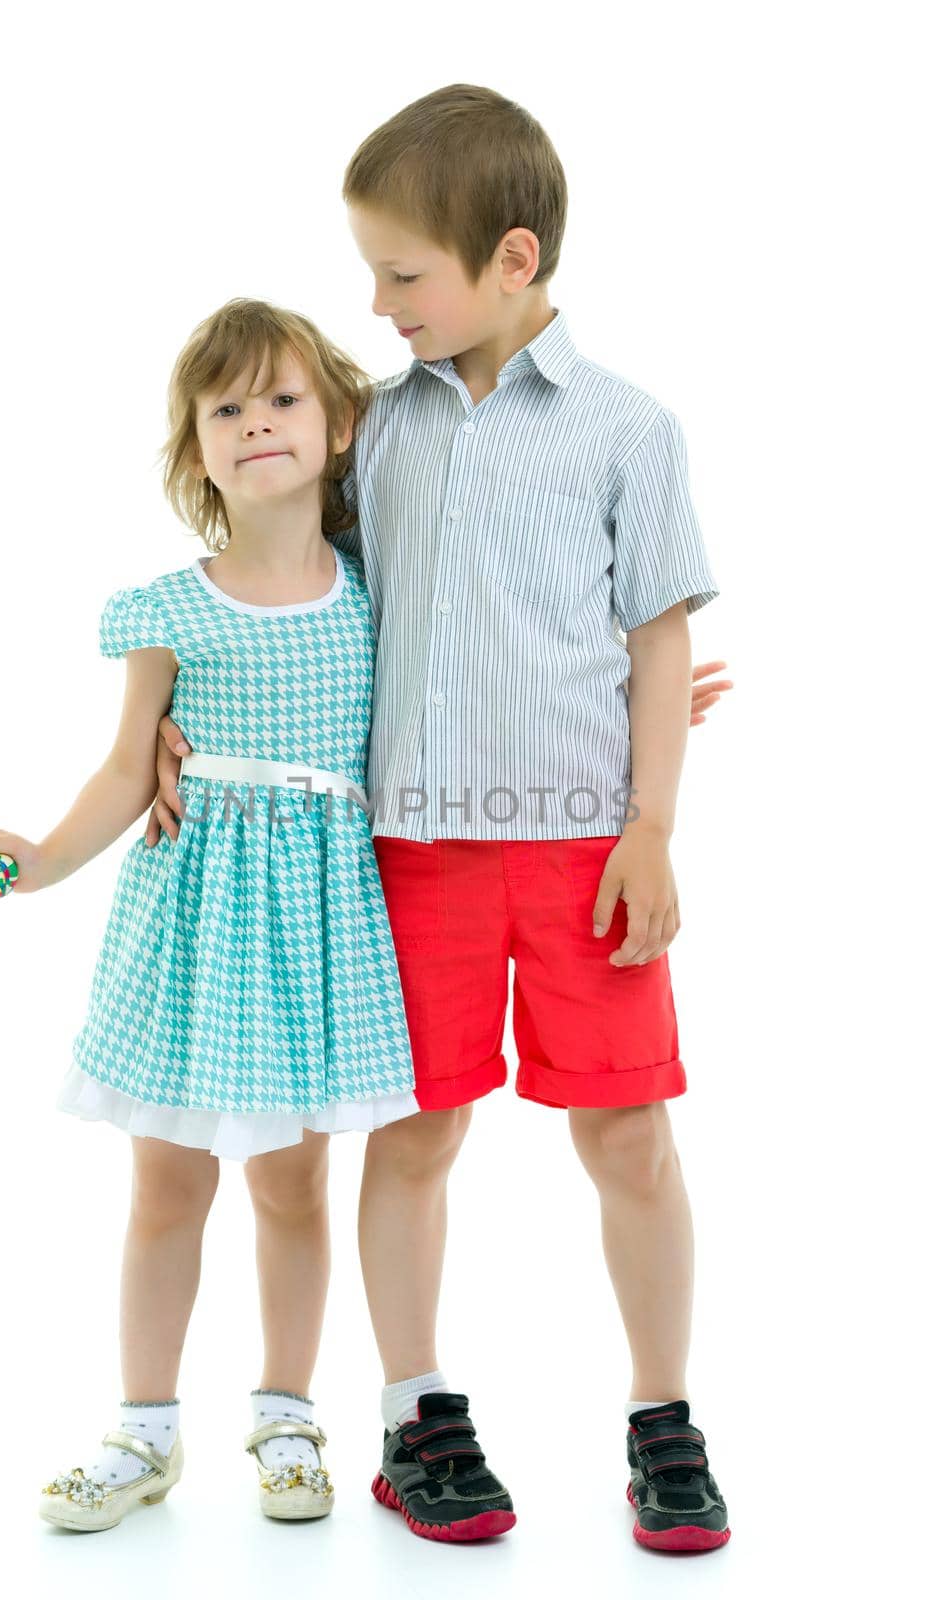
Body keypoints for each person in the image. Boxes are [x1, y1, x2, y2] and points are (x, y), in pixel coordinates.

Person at [149, 85, 735, 1551]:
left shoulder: (626, 428)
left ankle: (661, 1417)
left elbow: (655, 636)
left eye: (403, 275)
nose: (377, 301)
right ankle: (421, 1414)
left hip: (585, 846)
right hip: (406, 854)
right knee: (414, 1136)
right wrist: (175, 722)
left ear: (512, 260)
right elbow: (292, 590)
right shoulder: (378, 433)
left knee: (627, 1132)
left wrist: (650, 820)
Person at [0, 298, 421, 1532]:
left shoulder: (379, 595)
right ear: (194, 450)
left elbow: (469, 689)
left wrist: (608, 713)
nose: (255, 423)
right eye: (226, 408)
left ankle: (284, 1414)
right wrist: (36, 862)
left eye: (281, 400)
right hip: (195, 924)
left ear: (336, 429)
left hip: (316, 934)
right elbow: (122, 770)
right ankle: (143, 1429)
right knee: (165, 1185)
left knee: (292, 1187)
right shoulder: (169, 607)